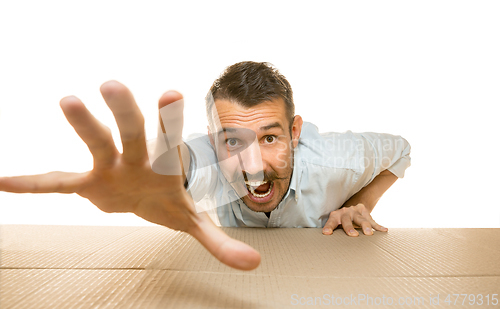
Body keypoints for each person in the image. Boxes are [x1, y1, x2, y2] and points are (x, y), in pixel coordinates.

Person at [0, 61, 410, 271]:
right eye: (234, 141)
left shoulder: (337, 159)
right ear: (215, 140)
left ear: (295, 131)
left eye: (270, 138)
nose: (252, 166)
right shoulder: (210, 162)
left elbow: (401, 149)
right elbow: (183, 163)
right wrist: (159, 173)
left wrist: (361, 203)